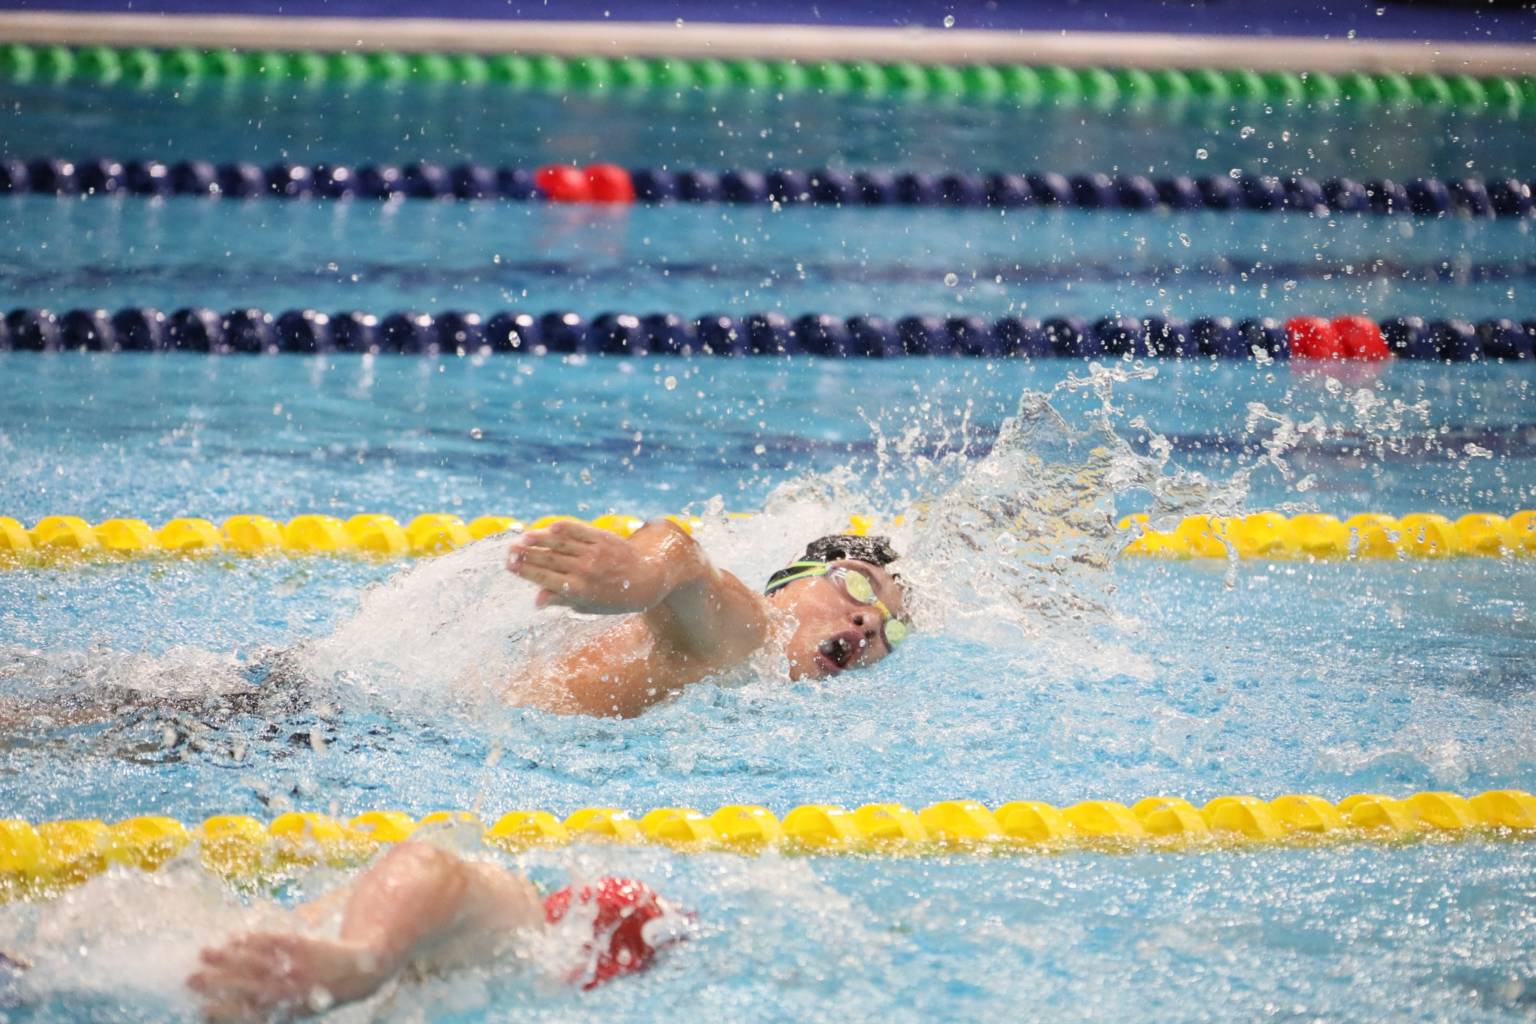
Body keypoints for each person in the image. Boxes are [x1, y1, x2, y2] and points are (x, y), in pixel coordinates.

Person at [187, 841, 685, 1021]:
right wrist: (367, 956)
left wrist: (368, 956)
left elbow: (427, 864)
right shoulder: (525, 943)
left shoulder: (521, 943)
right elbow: (425, 865)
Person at [505, 520, 911, 717]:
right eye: (860, 586)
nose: (870, 622)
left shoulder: (764, 686)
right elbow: (684, 557)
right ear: (794, 575)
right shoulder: (756, 631)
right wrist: (640, 572)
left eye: (892, 628)